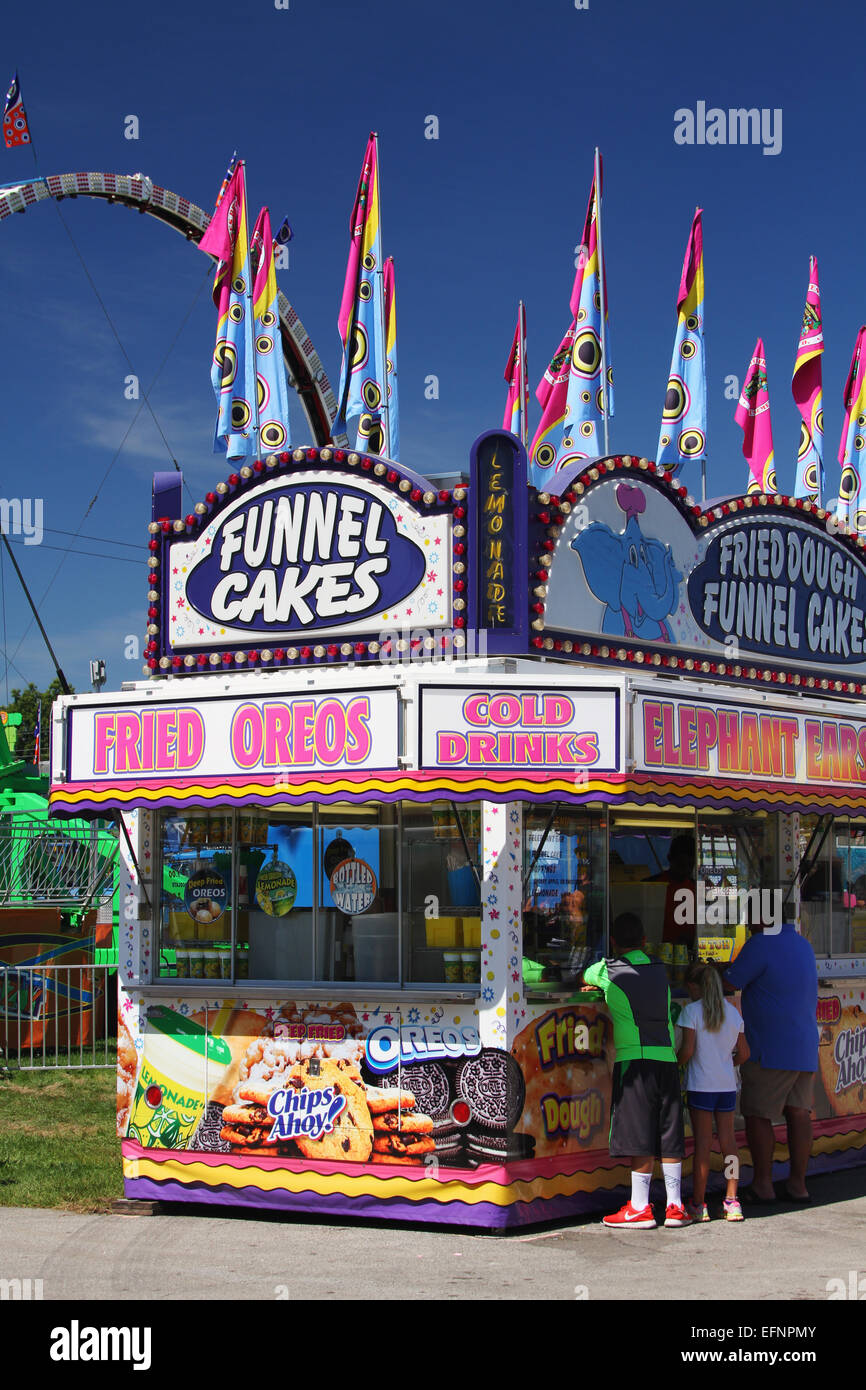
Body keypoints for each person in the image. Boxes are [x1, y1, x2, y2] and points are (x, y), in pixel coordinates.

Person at [582, 912, 690, 1229]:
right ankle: (675, 1206)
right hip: (667, 1059)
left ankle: (640, 1207)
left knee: (639, 1131)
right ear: (644, 940)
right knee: (669, 1132)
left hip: (635, 1060)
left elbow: (586, 974)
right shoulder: (660, 969)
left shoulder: (609, 969)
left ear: (613, 942)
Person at [723, 919, 818, 1204]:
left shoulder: (761, 943)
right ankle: (798, 1185)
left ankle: (763, 1184)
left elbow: (730, 981)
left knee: (758, 1114)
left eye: (751, 917)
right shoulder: (803, 944)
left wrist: (713, 970)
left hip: (770, 1047)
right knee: (799, 1113)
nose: (748, 924)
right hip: (804, 1045)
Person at [676, 961, 749, 1221]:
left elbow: (687, 1051)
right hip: (726, 1086)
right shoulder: (732, 1014)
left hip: (701, 1086)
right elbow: (745, 1053)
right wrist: (726, 1064)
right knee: (729, 1144)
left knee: (703, 1146)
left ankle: (699, 1203)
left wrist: (675, 1064)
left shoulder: (691, 1012)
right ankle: (732, 1201)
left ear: (696, 987)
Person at [645, 834, 697, 949]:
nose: (686, 870)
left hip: (688, 953)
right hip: (656, 952)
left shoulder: (698, 889)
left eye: (690, 865)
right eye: (681, 865)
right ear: (670, 858)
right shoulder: (651, 886)